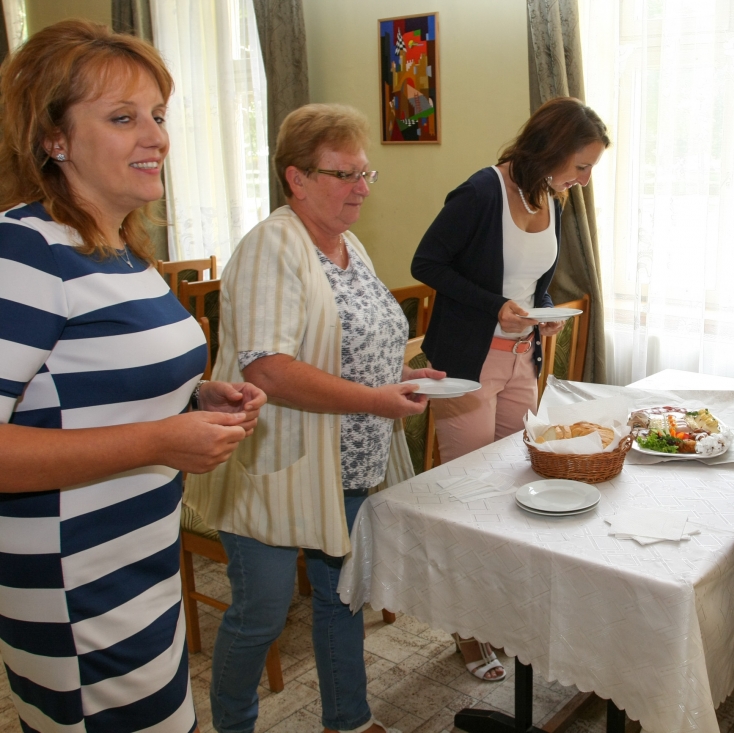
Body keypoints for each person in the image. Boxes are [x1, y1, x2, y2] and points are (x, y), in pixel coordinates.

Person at [0, 20, 265, 732]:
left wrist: (194, 395)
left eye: (158, 115)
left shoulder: (117, 247)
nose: (156, 137)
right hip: (75, 582)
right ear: (54, 139)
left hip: (138, 562)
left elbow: (80, 384)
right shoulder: (24, 251)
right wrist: (159, 439)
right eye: (123, 118)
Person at [184, 103, 439, 733]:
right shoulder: (273, 245)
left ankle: (347, 720)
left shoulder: (350, 244)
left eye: (365, 173)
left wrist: (403, 377)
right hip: (280, 461)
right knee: (262, 614)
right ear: (296, 178)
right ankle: (233, 725)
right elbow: (268, 369)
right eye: (344, 174)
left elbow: (357, 345)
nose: (361, 188)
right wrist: (375, 400)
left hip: (349, 463)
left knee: (340, 598)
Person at [410, 96, 610, 681]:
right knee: (469, 497)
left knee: (512, 486)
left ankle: (497, 611)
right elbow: (428, 263)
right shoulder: (481, 192)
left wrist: (542, 313)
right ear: (552, 150)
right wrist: (495, 306)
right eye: (582, 166)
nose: (585, 179)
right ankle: (466, 628)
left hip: (521, 359)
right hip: (469, 362)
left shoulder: (550, 199)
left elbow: (533, 284)